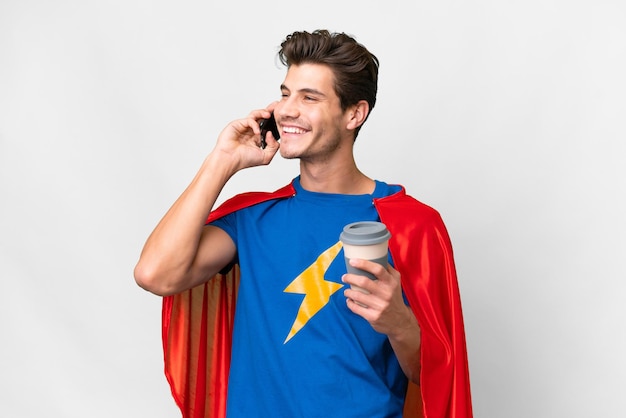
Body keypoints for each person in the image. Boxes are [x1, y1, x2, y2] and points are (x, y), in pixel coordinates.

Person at [135, 29, 472, 418]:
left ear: (354, 114)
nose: (286, 109)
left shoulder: (413, 223)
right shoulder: (252, 218)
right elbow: (154, 274)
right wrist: (222, 161)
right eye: (285, 93)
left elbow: (435, 380)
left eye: (309, 97)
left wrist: (399, 323)